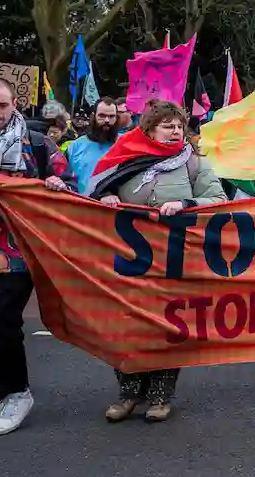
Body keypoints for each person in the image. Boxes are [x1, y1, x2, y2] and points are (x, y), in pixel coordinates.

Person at [90, 100, 225, 423]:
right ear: (149, 129)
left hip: (173, 261)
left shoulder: (194, 163)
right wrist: (104, 197)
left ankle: (160, 396)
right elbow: (92, 193)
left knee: (167, 325)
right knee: (126, 326)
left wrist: (186, 203)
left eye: (179, 126)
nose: (175, 131)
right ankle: (128, 393)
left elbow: (218, 201)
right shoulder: (123, 158)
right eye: (167, 125)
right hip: (127, 261)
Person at [0, 79, 74, 436]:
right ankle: (0, 396)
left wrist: (56, 187)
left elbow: (70, 187)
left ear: (16, 104)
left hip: (22, 252)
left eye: (2, 105)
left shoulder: (39, 144)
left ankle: (19, 394)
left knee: (0, 320)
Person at [65, 99, 120, 195]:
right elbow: (64, 178)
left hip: (114, 206)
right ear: (93, 117)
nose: (107, 120)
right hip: (82, 204)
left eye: (111, 116)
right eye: (102, 116)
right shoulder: (74, 147)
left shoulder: (126, 144)